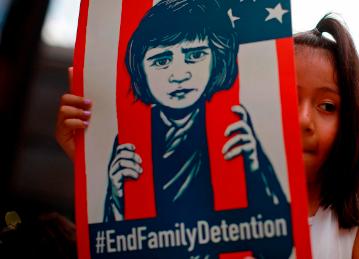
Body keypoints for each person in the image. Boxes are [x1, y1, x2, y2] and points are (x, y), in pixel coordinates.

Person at [57, 0, 292, 258]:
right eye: (161, 60)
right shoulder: (130, 137)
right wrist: (112, 192)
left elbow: (278, 246)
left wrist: (254, 168)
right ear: (140, 69)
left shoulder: (234, 127)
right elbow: (109, 249)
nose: (179, 74)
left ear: (217, 57)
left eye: (195, 55)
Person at [294, 14, 359, 258]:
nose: (303, 119)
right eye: (288, 98)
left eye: (327, 106)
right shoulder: (214, 219)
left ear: (350, 125)